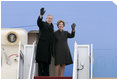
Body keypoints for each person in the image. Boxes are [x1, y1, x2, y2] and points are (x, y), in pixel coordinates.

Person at [36, 8, 54, 76]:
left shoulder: (52, 26)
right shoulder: (43, 24)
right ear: (46, 19)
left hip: (48, 49)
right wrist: (41, 15)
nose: (50, 19)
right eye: (48, 18)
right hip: (42, 47)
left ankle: (47, 77)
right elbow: (39, 22)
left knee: (47, 64)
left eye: (51, 18)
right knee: (41, 64)